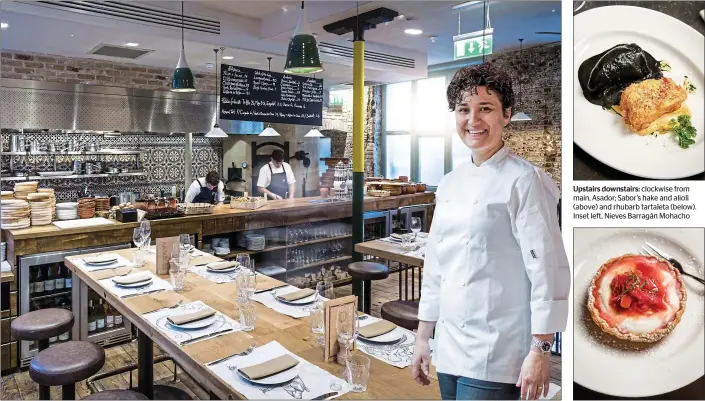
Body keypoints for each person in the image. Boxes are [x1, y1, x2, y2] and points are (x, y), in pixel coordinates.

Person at [411, 63, 570, 401]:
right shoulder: (451, 182)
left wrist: (541, 348)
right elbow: (437, 265)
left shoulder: (526, 181)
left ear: (506, 115)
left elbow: (547, 269)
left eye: (486, 108)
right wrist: (424, 337)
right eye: (464, 109)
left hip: (498, 349)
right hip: (450, 346)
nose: (473, 120)